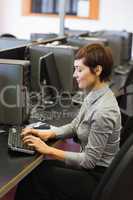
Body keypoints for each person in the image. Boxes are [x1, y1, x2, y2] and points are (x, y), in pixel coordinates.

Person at [15, 43, 121, 200]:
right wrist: (47, 133)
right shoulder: (94, 95)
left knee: (37, 177)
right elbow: (75, 125)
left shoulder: (103, 111)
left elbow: (88, 161)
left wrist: (48, 150)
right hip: (91, 168)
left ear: (97, 70)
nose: (74, 75)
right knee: (36, 173)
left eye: (79, 69)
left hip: (97, 177)